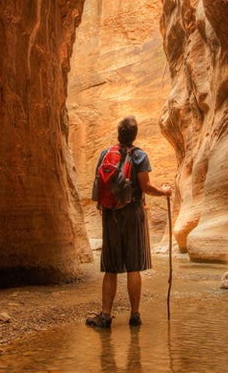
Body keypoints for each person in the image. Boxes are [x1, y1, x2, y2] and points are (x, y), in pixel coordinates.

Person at [86, 116, 172, 328]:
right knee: (133, 266)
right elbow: (146, 187)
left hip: (110, 213)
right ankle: (135, 315)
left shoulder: (106, 154)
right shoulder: (140, 156)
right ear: (134, 135)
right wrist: (165, 192)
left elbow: (99, 183)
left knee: (111, 267)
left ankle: (105, 315)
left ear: (118, 133)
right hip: (133, 213)